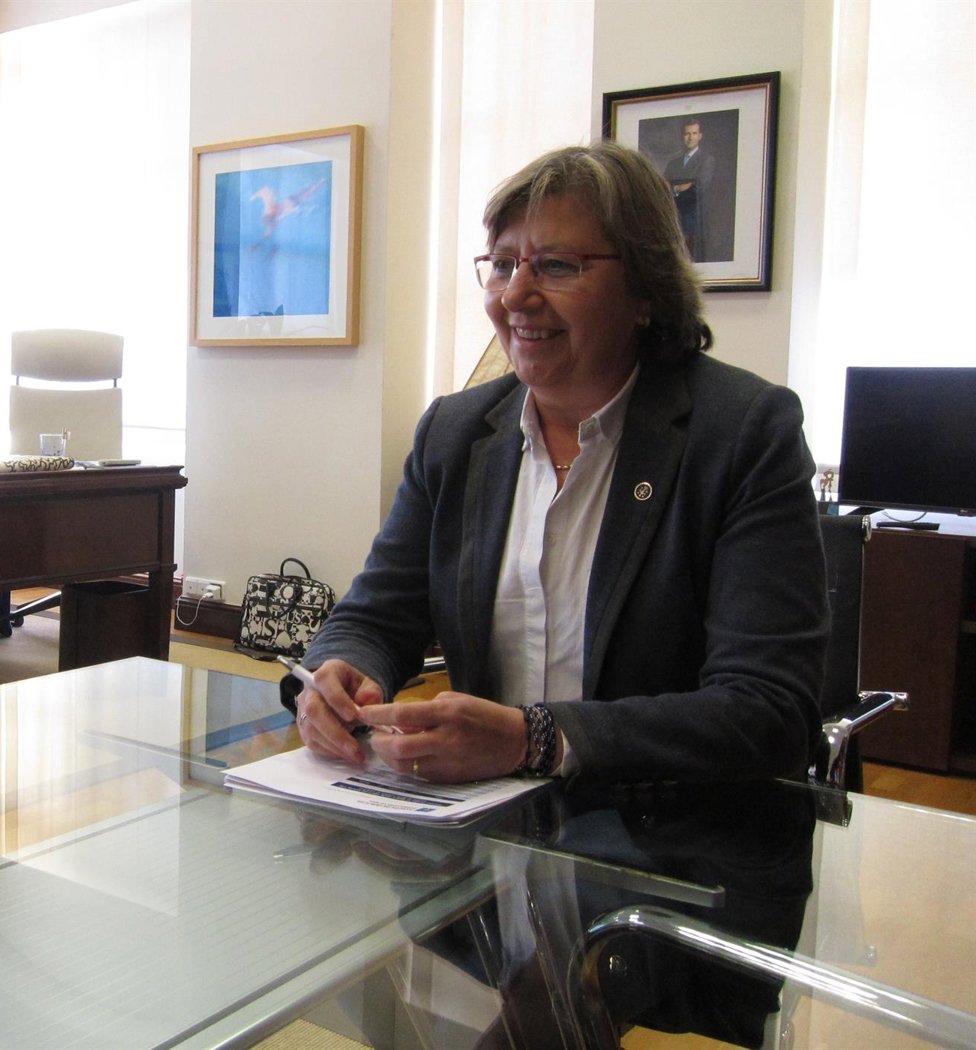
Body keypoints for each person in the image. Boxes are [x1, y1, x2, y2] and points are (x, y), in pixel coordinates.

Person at [292, 142, 827, 787]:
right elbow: (376, 617)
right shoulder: (455, 432)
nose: (516, 296)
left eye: (556, 266)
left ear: (646, 290)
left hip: (671, 827)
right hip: (482, 823)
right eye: (503, 264)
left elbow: (769, 711)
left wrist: (537, 740)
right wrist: (339, 672)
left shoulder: (744, 433)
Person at [663, 119, 715, 260]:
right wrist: (684, 186)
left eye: (694, 133)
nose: (690, 137)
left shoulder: (706, 160)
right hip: (674, 221)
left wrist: (674, 188)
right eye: (687, 134)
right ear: (683, 136)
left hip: (693, 222)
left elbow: (698, 189)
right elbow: (663, 189)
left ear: (700, 136)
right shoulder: (673, 164)